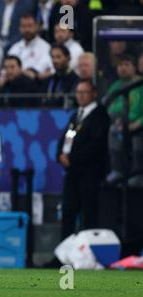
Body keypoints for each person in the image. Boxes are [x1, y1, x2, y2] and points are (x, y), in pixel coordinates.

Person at [56, 80, 110, 241]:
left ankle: (87, 250)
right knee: (68, 211)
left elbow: (96, 144)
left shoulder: (100, 115)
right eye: (78, 92)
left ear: (93, 94)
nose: (80, 96)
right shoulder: (76, 115)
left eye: (84, 92)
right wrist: (60, 154)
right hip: (72, 172)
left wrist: (72, 158)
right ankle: (64, 252)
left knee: (88, 212)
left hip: (89, 172)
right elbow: (66, 138)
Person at [106, 55, 143, 187]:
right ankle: (117, 170)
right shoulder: (116, 86)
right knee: (113, 131)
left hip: (138, 124)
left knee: (137, 136)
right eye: (120, 65)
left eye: (126, 65)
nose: (123, 68)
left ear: (134, 67)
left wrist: (138, 122)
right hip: (120, 123)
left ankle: (138, 173)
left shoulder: (140, 85)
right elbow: (109, 105)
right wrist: (119, 120)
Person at [7, 14, 54, 81]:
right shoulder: (15, 47)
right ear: (19, 28)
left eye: (30, 26)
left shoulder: (45, 47)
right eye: (23, 26)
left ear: (37, 27)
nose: (27, 29)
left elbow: (38, 73)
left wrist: (20, 72)